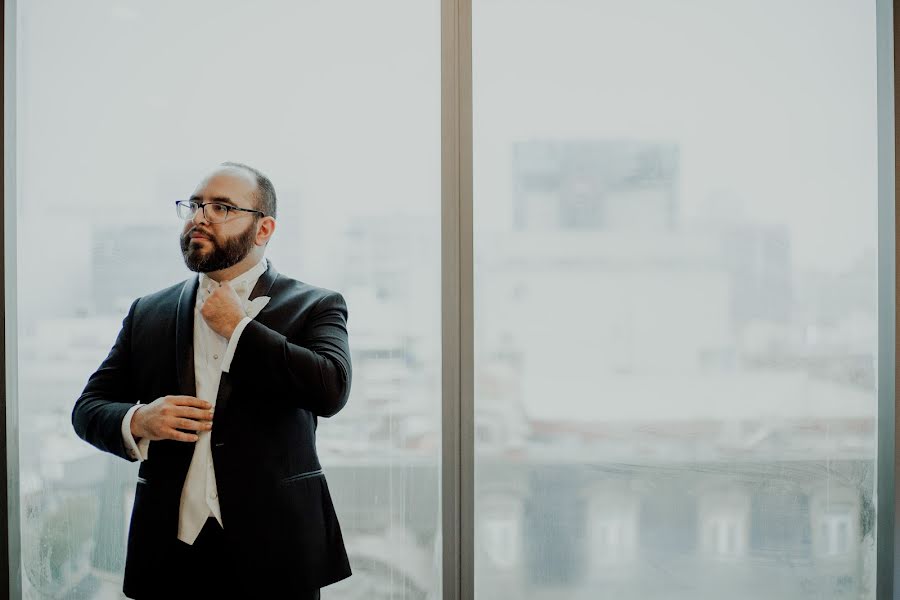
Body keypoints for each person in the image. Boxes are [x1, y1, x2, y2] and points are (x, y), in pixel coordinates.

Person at [71, 162, 352, 599]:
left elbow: (331, 388)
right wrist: (140, 420)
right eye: (195, 205)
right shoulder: (148, 311)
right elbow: (87, 409)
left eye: (221, 207)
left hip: (278, 554)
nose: (200, 217)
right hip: (170, 553)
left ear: (263, 230)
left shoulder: (316, 305)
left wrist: (239, 330)